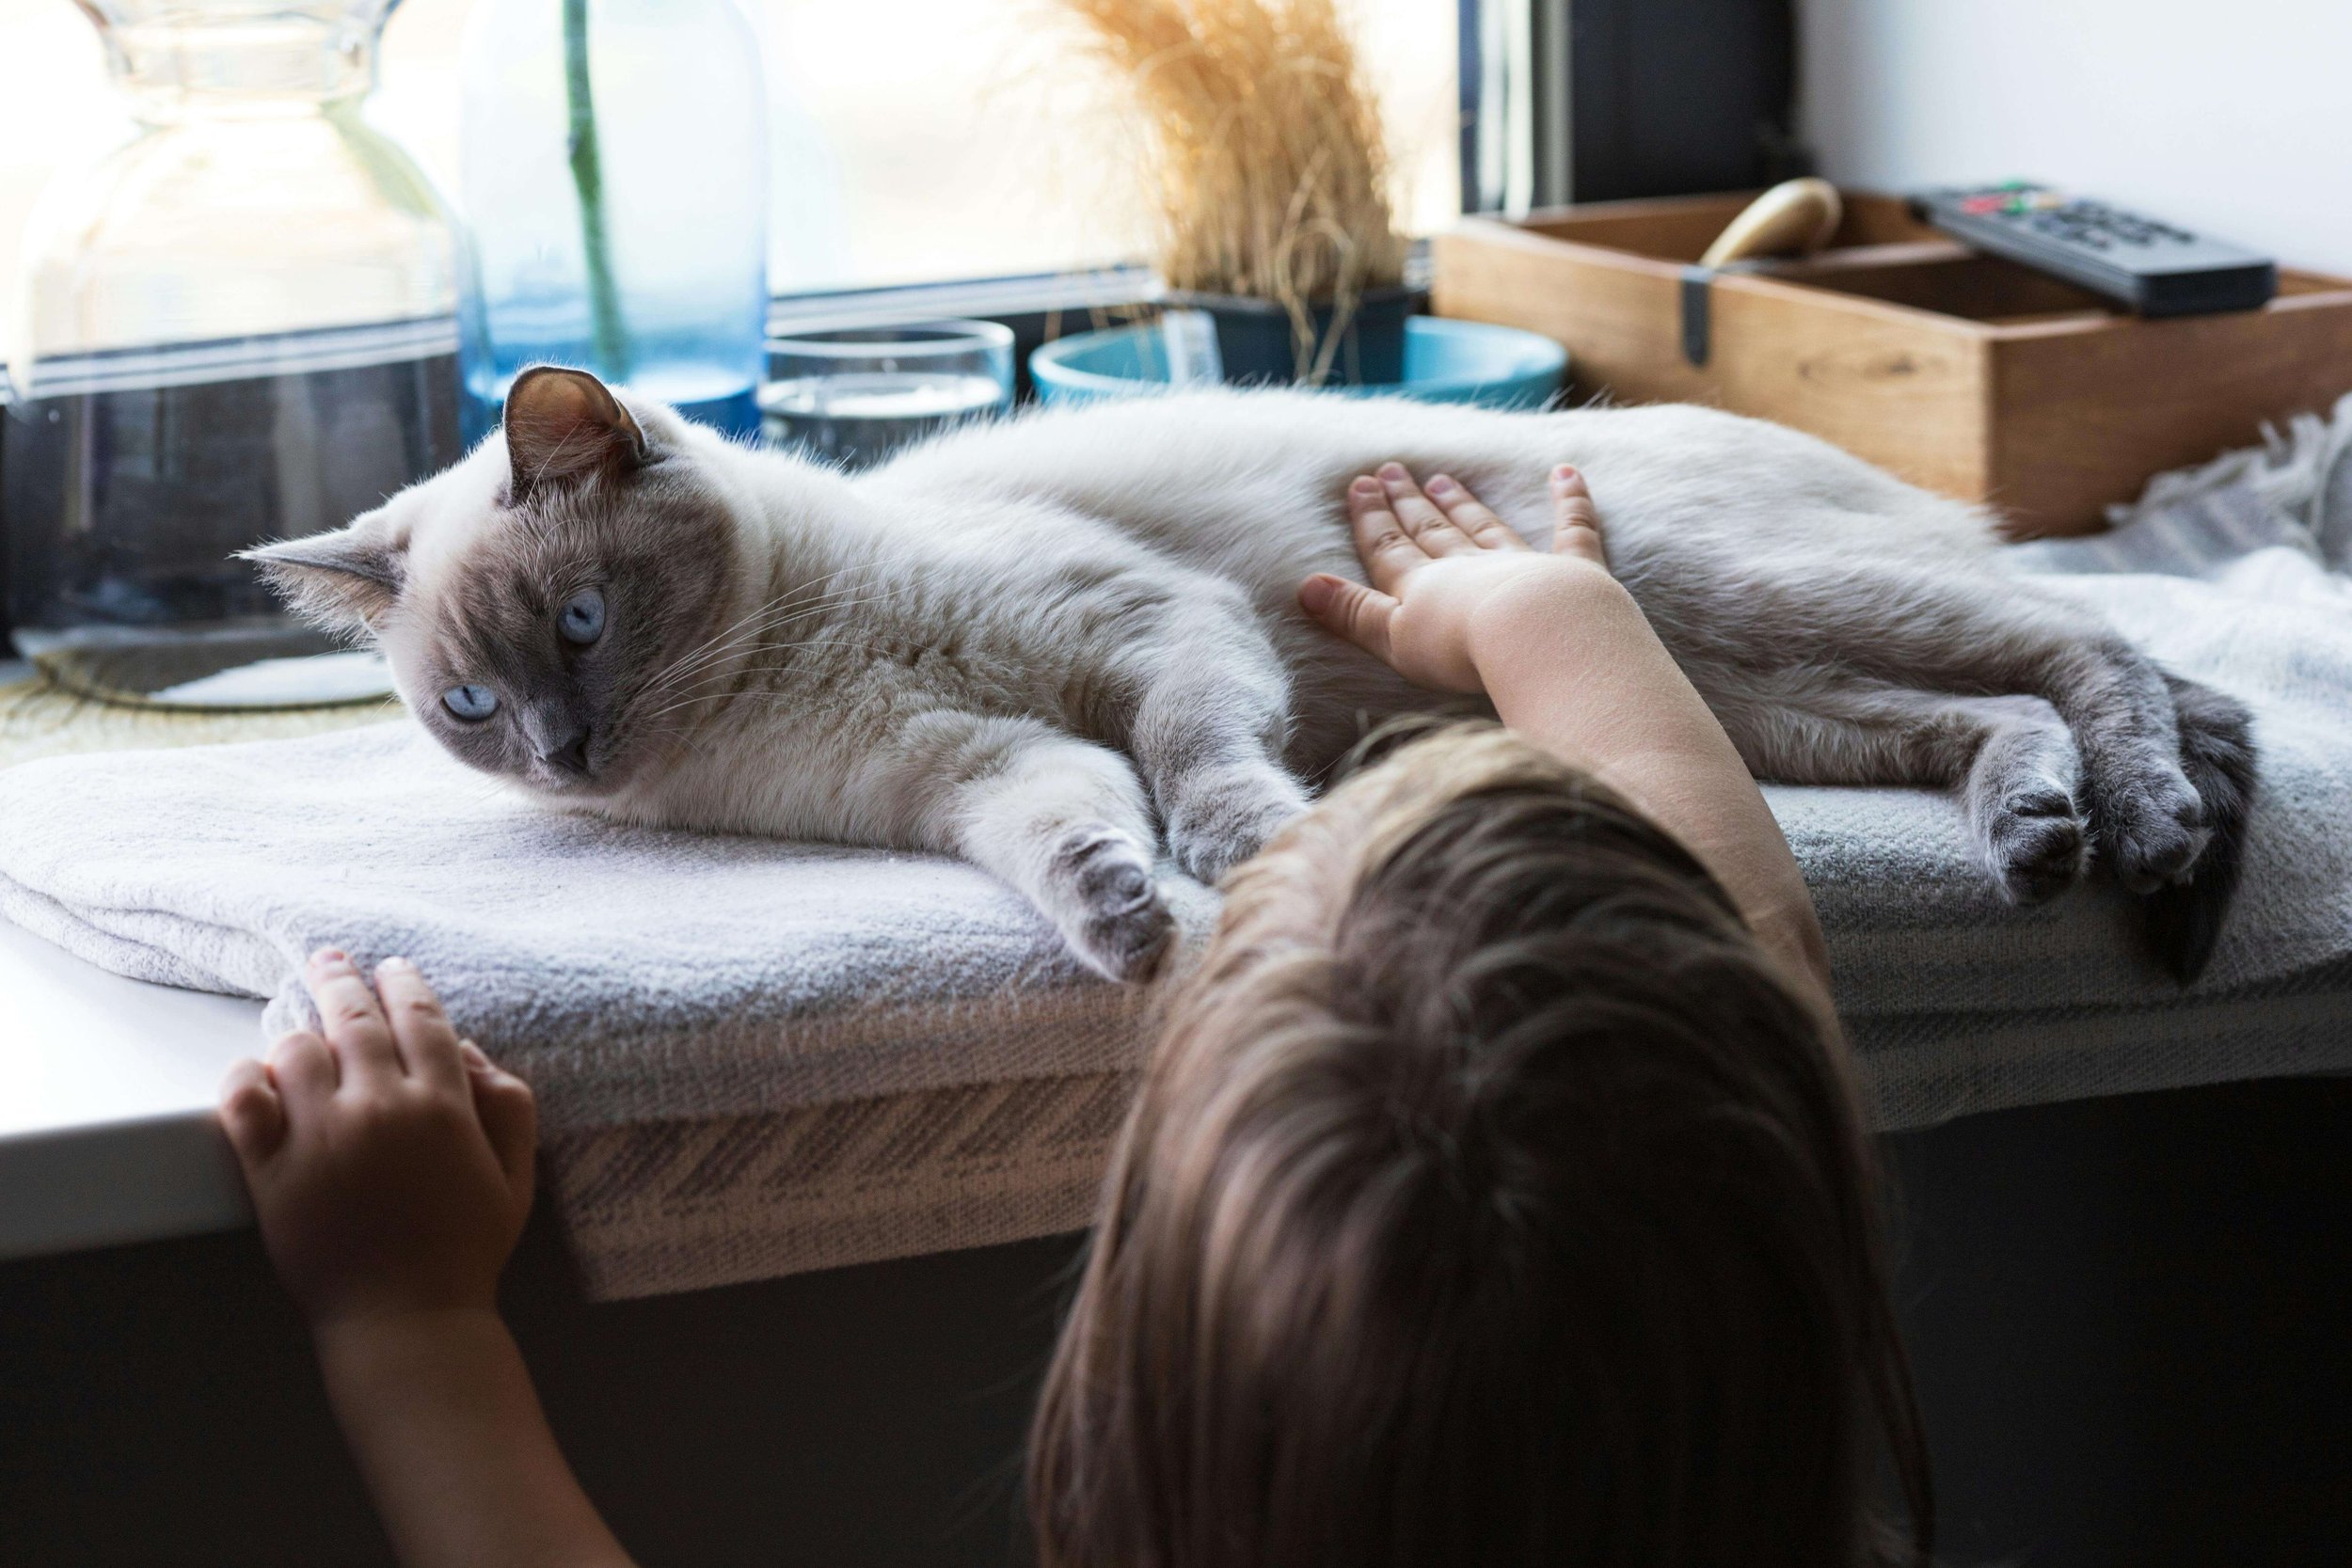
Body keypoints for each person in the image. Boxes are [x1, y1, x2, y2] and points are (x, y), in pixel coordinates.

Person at [218, 466, 1930, 1568]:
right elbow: (1745, 936)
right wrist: (1559, 621)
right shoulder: (1764, 1306)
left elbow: (1749, 963)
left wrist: (406, 1321)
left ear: (1128, 1411)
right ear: (1820, 1257)